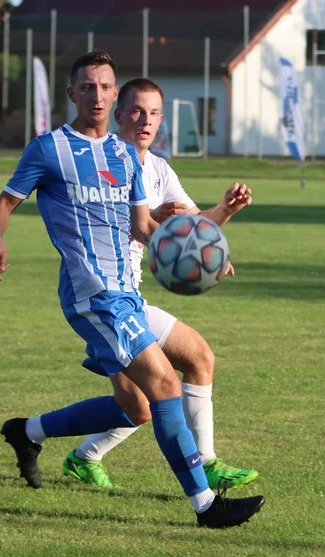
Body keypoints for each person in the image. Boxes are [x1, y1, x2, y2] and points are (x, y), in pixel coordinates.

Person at [0, 51, 265, 529]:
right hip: (92, 294)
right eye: (87, 87)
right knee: (165, 384)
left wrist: (200, 254)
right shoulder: (49, 149)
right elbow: (4, 202)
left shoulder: (123, 156)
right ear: (72, 93)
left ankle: (27, 432)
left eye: (104, 86)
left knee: (137, 407)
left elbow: (144, 228)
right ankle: (205, 505)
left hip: (127, 293)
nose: (96, 94)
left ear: (113, 93)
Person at [60, 77, 258, 492]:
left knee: (191, 363)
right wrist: (151, 219)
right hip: (103, 298)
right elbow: (106, 226)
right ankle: (39, 436)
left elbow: (192, 225)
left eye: (153, 114)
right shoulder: (101, 163)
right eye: (136, 111)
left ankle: (77, 452)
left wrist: (224, 213)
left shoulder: (159, 168)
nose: (145, 121)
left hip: (133, 298)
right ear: (118, 116)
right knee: (143, 402)